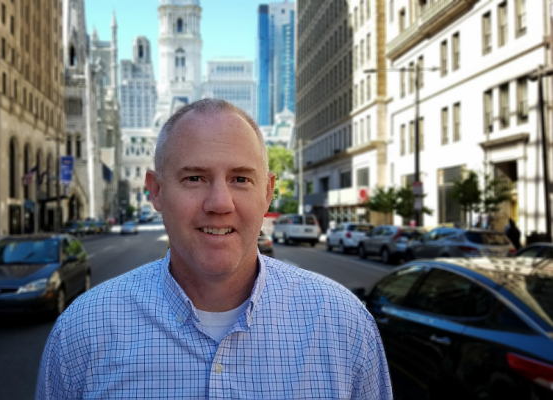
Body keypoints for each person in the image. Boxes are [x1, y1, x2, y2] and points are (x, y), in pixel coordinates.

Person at [35, 99, 392, 399]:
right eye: (194, 178)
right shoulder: (81, 330)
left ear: (267, 192)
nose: (220, 203)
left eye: (240, 179)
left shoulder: (345, 324)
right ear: (155, 191)